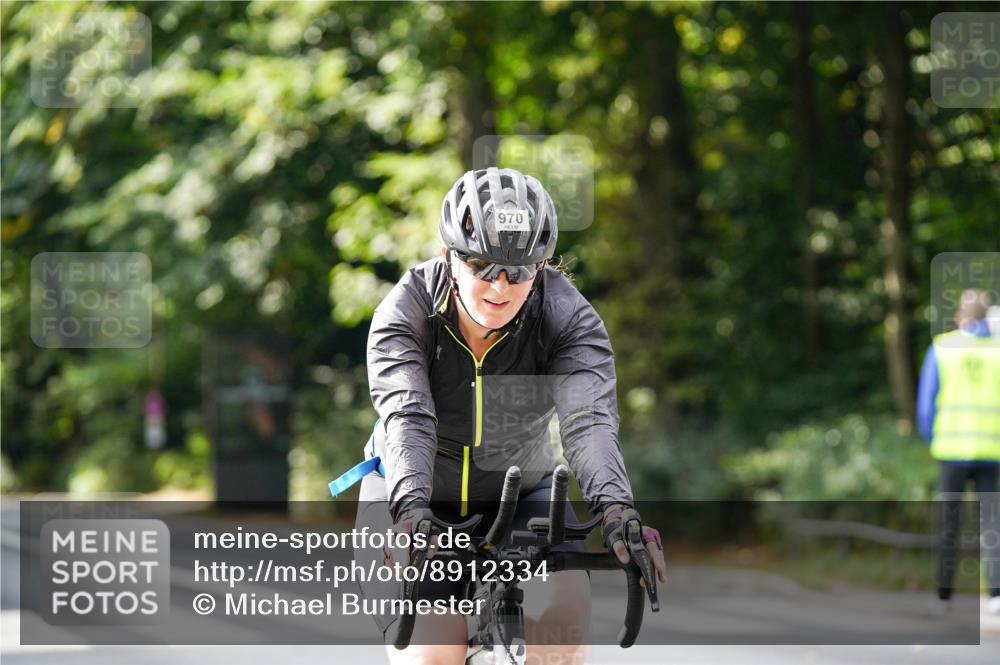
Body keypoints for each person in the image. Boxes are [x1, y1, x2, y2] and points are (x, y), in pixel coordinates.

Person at [346, 167, 667, 665]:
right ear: (449, 256)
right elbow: (409, 417)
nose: (500, 286)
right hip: (412, 494)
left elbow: (588, 423)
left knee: (560, 629)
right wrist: (409, 510)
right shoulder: (405, 312)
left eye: (519, 271)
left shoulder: (567, 317)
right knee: (434, 652)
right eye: (482, 266)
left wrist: (616, 510)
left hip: (521, 492)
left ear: (541, 267)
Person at [916, 288, 1000, 616]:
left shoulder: (942, 348)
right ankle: (996, 596)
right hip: (992, 450)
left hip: (951, 450)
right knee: (992, 524)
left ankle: (944, 595)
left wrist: (932, 439)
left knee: (949, 523)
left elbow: (926, 406)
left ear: (959, 316)